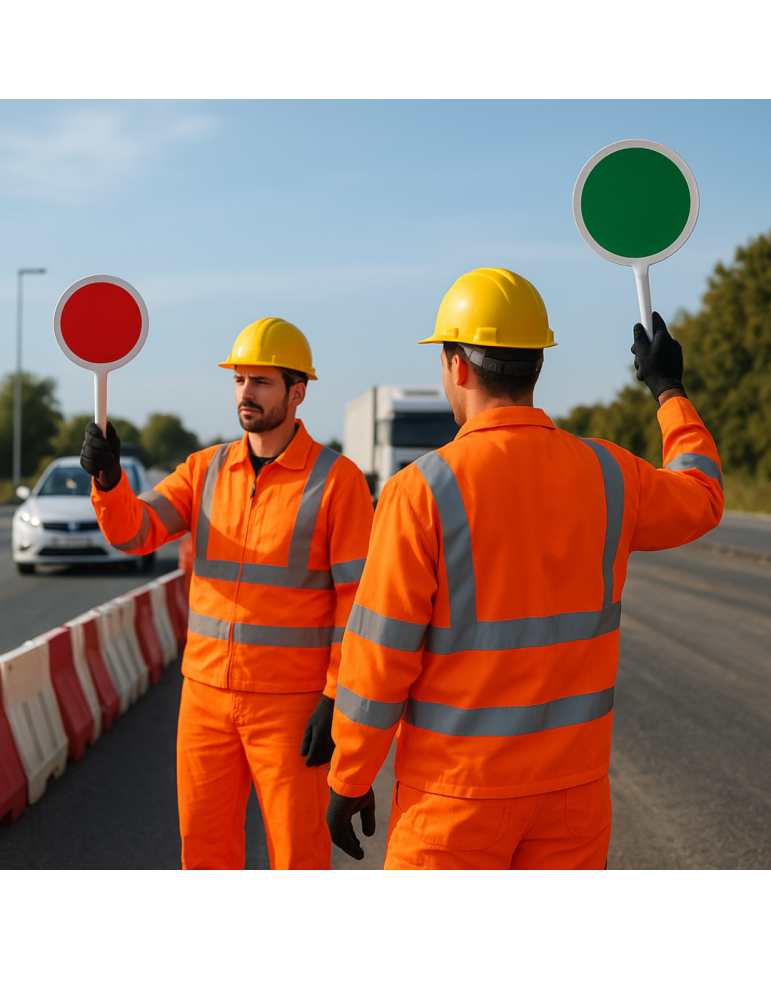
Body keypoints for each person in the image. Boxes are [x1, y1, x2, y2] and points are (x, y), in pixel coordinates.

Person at [326, 267, 724, 870]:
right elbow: (702, 494)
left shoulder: (421, 491)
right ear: (538, 365)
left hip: (454, 801)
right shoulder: (612, 473)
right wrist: (669, 391)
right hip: (574, 799)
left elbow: (379, 658)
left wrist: (349, 777)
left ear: (456, 366)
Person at [82, 317, 373, 869]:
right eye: (240, 380)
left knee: (297, 856)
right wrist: (110, 482)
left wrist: (337, 701)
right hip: (206, 698)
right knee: (205, 852)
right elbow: (136, 532)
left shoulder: (338, 481)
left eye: (261, 382)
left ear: (297, 391)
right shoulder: (205, 469)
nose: (246, 393)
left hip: (292, 705)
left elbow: (356, 604)